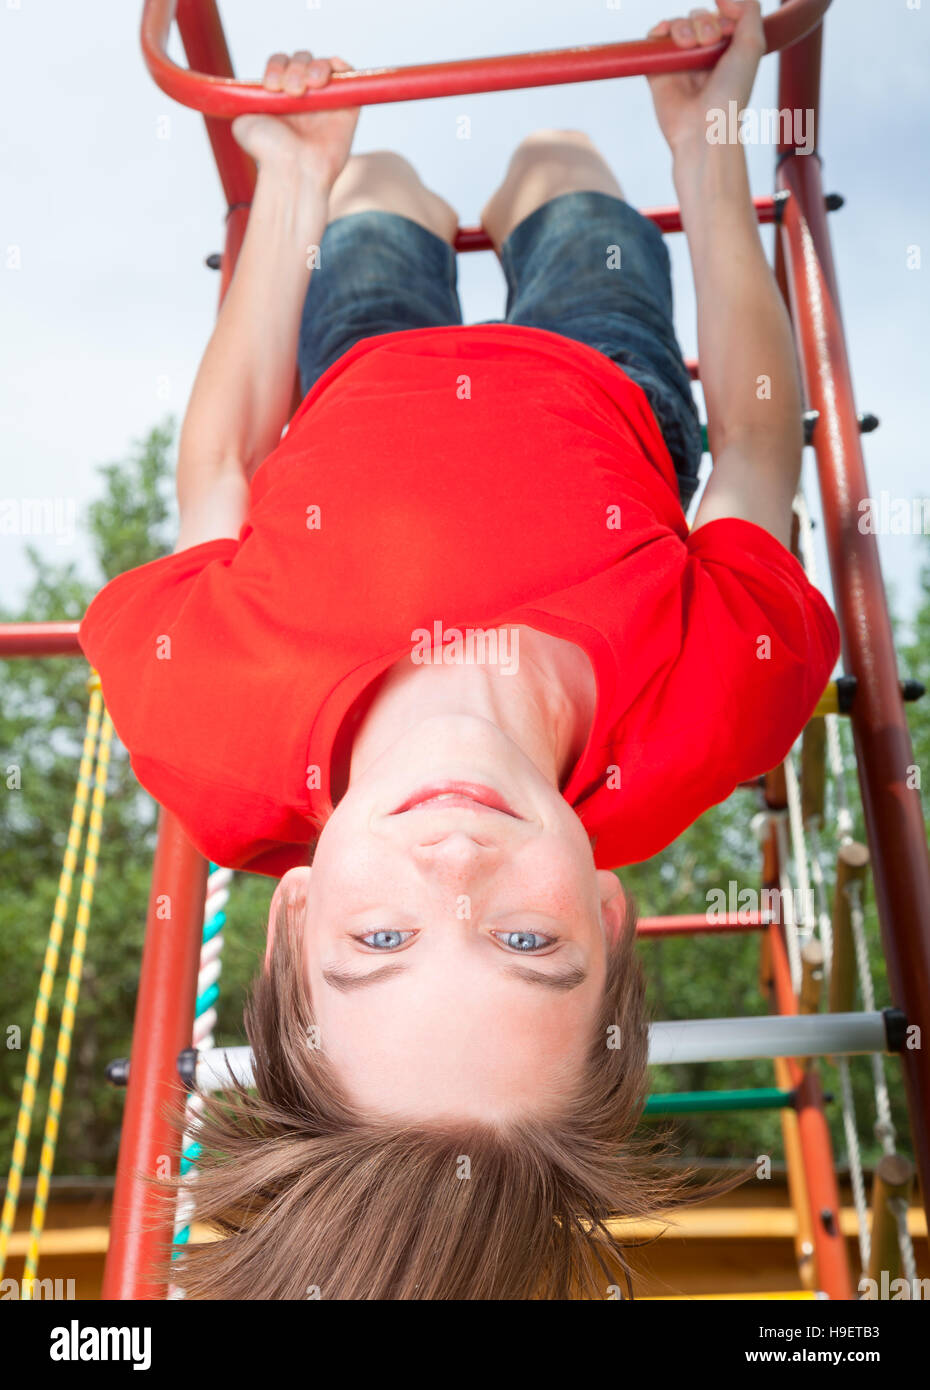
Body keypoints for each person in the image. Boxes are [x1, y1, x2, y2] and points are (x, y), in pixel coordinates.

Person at [79, 1, 839, 1298]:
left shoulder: (211, 731)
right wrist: (709, 157)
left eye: (380, 940)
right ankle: (544, 180)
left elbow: (217, 466)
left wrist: (291, 183)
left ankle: (362, 189)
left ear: (299, 916)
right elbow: (763, 447)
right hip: (601, 372)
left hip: (354, 378)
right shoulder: (702, 711)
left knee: (375, 192)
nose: (453, 867)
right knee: (557, 161)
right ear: (606, 919)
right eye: (525, 945)